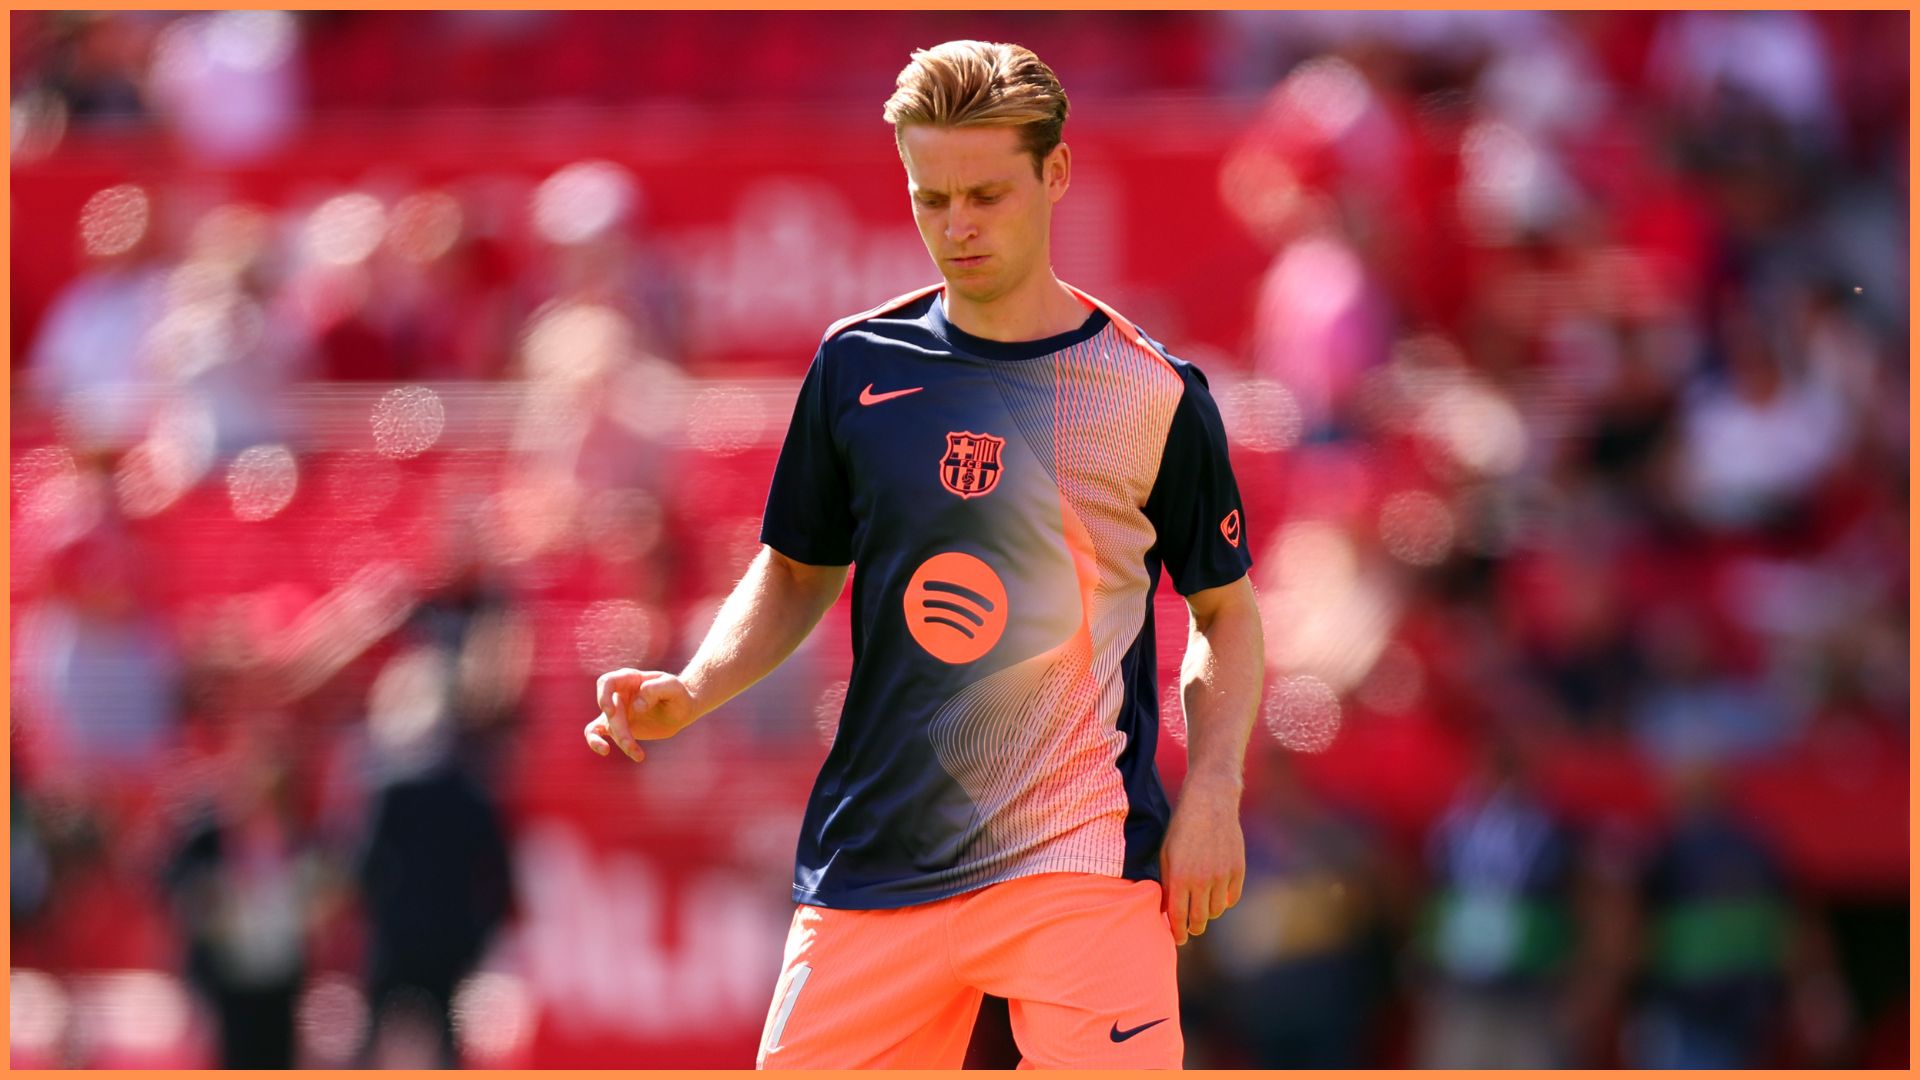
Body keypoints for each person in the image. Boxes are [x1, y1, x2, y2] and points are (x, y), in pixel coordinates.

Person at [585, 39, 1264, 1069]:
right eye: (930, 197)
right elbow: (794, 571)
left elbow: (1227, 617)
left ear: (1057, 174)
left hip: (1078, 862)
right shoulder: (855, 367)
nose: (957, 226)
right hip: (879, 858)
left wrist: (1213, 792)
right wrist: (695, 687)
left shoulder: (1153, 392)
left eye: (986, 194)